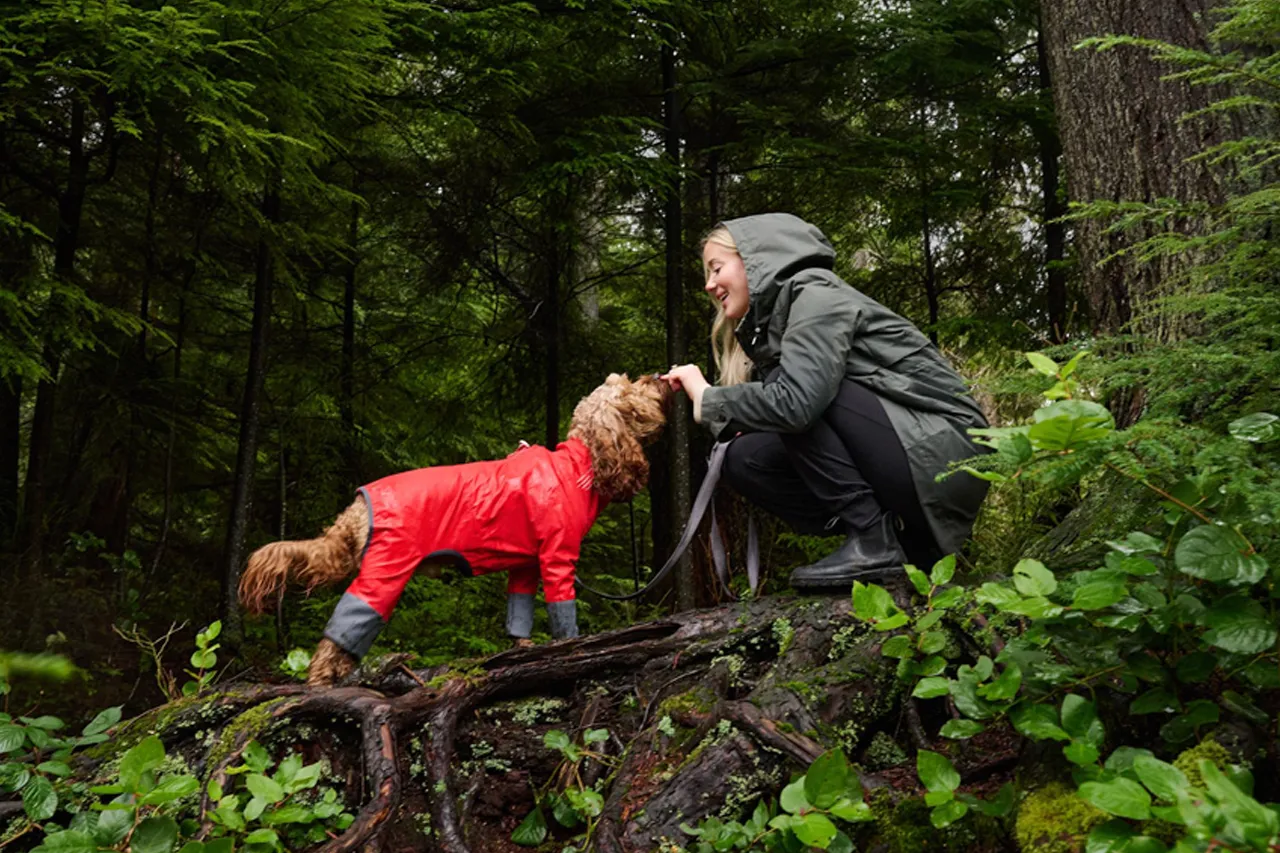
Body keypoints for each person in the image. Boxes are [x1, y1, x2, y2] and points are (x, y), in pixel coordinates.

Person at [662, 213, 989, 587]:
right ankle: (895, 542)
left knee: (799, 399)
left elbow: (798, 403)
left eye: (716, 268)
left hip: (947, 449)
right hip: (913, 447)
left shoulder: (815, 294)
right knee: (746, 458)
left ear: (754, 258)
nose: (709, 284)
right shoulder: (786, 314)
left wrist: (708, 396)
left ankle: (873, 540)